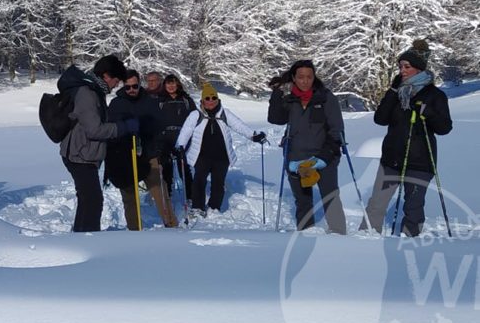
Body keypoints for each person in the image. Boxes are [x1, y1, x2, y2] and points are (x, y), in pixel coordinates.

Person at [358, 40, 452, 236]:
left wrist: (427, 112)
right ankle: (364, 240)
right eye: (400, 66)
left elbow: (444, 128)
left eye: (406, 66)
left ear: (418, 68)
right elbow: (380, 119)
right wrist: (392, 92)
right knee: (376, 205)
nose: (402, 70)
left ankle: (410, 245)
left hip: (420, 162)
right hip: (391, 159)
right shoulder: (398, 93)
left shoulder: (435, 95)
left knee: (413, 209)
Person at [58, 54, 137, 232]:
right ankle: (89, 241)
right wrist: (122, 127)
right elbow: (94, 130)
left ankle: (81, 237)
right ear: (106, 76)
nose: (117, 85)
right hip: (79, 155)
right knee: (93, 201)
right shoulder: (88, 94)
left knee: (88, 200)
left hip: (84, 154)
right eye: (116, 80)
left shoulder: (95, 92)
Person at [267, 59, 346, 234]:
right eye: (301, 77)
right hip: (296, 157)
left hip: (324, 157)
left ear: (314, 77)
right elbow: (275, 119)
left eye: (309, 77)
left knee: (330, 197)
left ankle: (340, 236)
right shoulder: (290, 100)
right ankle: (305, 236)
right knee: (303, 201)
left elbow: (337, 130)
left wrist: (325, 156)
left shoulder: (326, 98)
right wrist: (276, 92)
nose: (305, 81)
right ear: (294, 78)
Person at [175, 82, 266, 217]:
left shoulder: (224, 113)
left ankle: (214, 207)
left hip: (221, 156)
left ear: (218, 99)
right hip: (202, 155)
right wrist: (180, 145)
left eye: (214, 98)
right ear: (202, 101)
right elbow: (186, 131)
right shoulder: (196, 114)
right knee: (199, 181)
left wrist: (253, 136)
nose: (211, 101)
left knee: (218, 183)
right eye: (207, 99)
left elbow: (239, 126)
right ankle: (197, 207)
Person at [105, 70, 178, 229]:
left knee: (159, 191)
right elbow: (110, 129)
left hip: (148, 154)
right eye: (128, 86)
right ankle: (135, 231)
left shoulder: (150, 102)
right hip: (125, 157)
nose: (131, 89)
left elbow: (159, 126)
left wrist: (157, 146)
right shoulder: (117, 104)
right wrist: (124, 128)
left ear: (139, 84)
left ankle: (172, 225)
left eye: (135, 86)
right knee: (130, 197)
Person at [158, 73, 196, 203]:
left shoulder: (186, 100)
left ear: (178, 84)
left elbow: (194, 117)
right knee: (166, 167)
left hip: (182, 138)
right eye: (168, 83)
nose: (171, 86)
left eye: (173, 83)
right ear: (164, 85)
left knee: (184, 168)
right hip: (165, 138)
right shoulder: (160, 100)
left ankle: (191, 196)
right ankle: (167, 195)